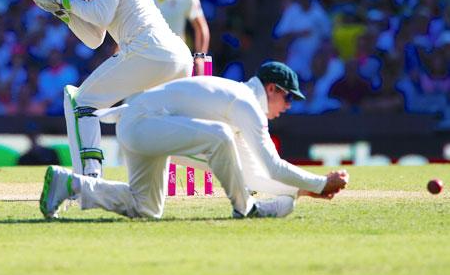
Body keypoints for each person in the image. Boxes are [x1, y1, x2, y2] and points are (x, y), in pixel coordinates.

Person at [39, 61, 349, 219]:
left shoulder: (237, 105)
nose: (289, 106)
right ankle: (246, 210)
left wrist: (305, 191)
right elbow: (272, 164)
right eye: (288, 98)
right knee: (220, 137)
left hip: (139, 125)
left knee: (146, 207)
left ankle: (69, 184)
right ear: (272, 89)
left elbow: (254, 174)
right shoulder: (245, 104)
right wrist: (320, 183)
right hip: (142, 122)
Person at [26, 0, 193, 178]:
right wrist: (63, 11)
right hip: (170, 57)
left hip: (149, 50)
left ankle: (90, 178)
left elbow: (100, 15)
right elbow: (94, 38)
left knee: (81, 101)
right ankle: (232, 164)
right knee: (157, 129)